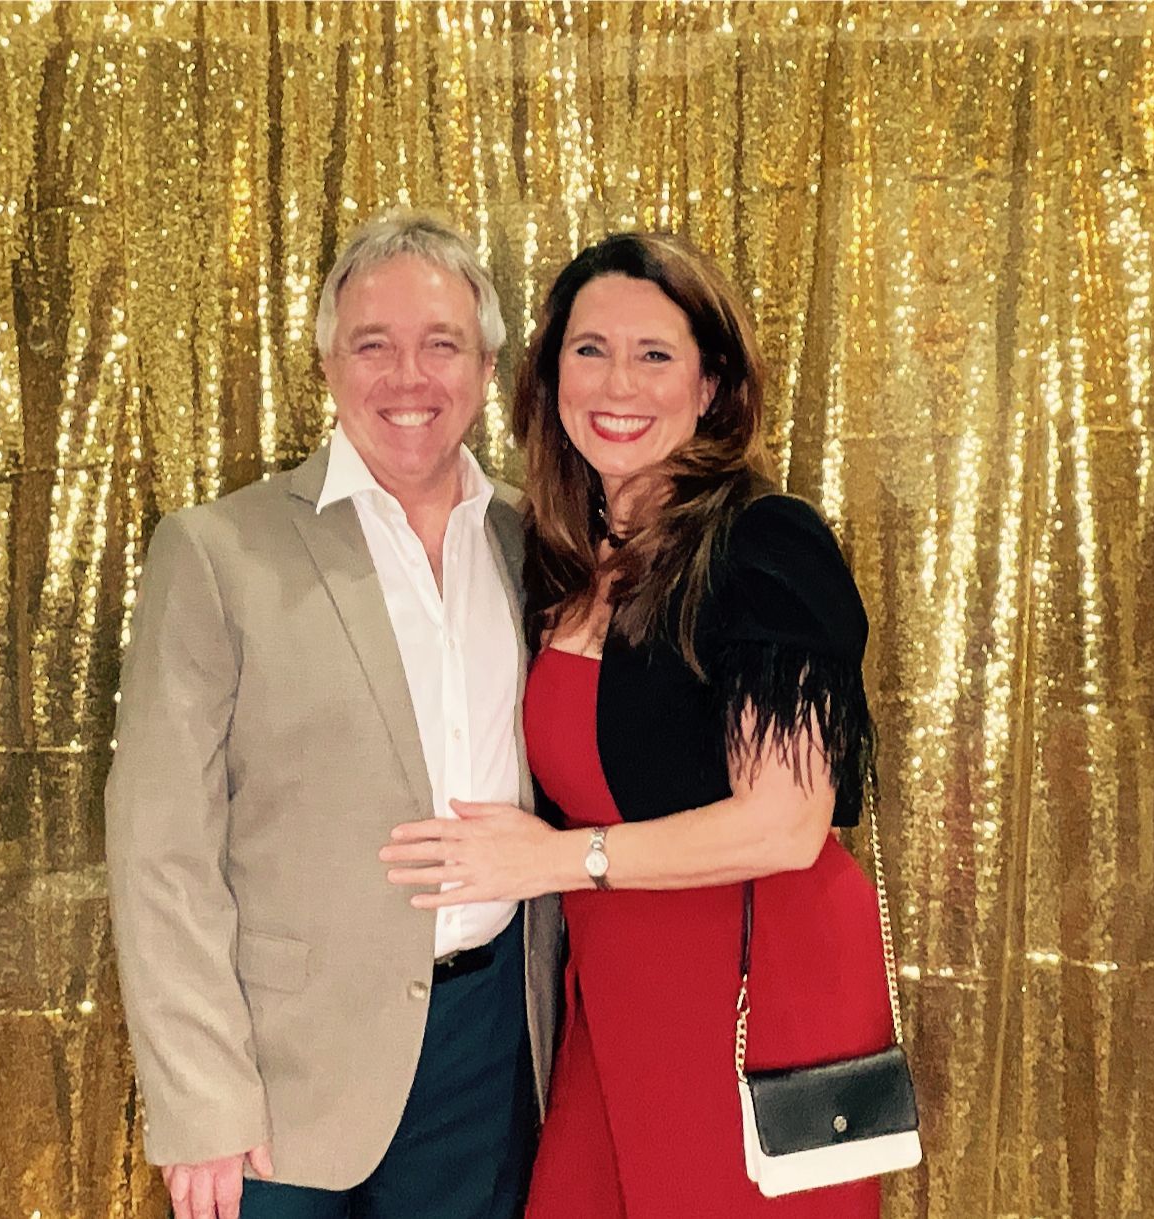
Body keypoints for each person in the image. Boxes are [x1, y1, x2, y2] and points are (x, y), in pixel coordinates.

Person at [382, 232, 892, 1217]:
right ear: (551, 377)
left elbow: (786, 823)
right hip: (614, 996)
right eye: (590, 350)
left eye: (654, 354)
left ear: (711, 386)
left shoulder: (766, 544)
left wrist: (554, 861)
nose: (618, 383)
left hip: (754, 1002)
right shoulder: (561, 557)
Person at [106, 211, 561, 1219]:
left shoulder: (536, 545)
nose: (408, 376)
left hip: (489, 1054)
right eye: (373, 345)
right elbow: (160, 847)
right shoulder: (217, 551)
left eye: (441, 344)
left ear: (487, 367)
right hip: (279, 1075)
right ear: (326, 365)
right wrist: (201, 1097)